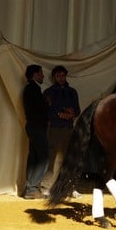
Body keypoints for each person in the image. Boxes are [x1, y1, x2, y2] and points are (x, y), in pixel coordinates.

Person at [41, 65, 81, 198]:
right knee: (52, 159)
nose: (61, 78)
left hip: (69, 128)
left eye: (63, 75)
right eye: (58, 76)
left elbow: (77, 110)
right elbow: (46, 112)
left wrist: (71, 113)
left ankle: (68, 188)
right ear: (54, 77)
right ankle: (46, 187)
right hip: (55, 129)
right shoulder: (48, 92)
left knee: (69, 159)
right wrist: (59, 114)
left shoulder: (72, 91)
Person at [22, 64, 49, 199]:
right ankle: (32, 189)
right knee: (44, 157)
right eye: (41, 73)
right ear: (35, 74)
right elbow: (39, 110)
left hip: (32, 127)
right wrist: (47, 103)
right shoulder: (34, 89)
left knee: (33, 158)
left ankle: (29, 188)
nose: (43, 75)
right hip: (37, 127)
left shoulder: (29, 89)